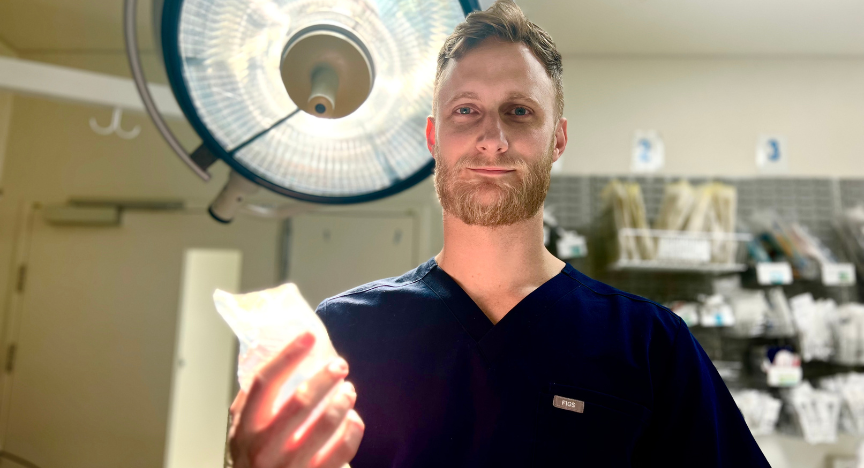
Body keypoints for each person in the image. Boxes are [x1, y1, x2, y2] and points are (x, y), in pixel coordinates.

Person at [227, 1, 771, 467]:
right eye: (467, 111)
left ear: (557, 139)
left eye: (519, 111)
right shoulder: (343, 335)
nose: (492, 138)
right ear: (434, 137)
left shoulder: (651, 346)